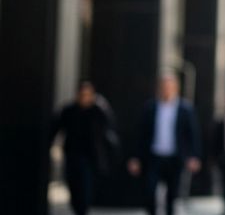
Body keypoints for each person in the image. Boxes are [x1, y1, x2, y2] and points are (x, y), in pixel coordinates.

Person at [127, 70, 202, 215]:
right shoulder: (150, 107)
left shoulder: (185, 109)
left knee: (172, 196)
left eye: (170, 86)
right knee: (149, 191)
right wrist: (135, 157)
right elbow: (140, 135)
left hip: (175, 158)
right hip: (154, 157)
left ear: (176, 88)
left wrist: (194, 156)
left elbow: (193, 135)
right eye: (164, 86)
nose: (166, 89)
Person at [51, 81, 119, 215]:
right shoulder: (69, 111)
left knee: (85, 188)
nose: (85, 98)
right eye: (82, 94)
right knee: (73, 186)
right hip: (72, 155)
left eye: (88, 95)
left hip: (91, 157)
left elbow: (109, 130)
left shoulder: (98, 110)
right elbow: (56, 128)